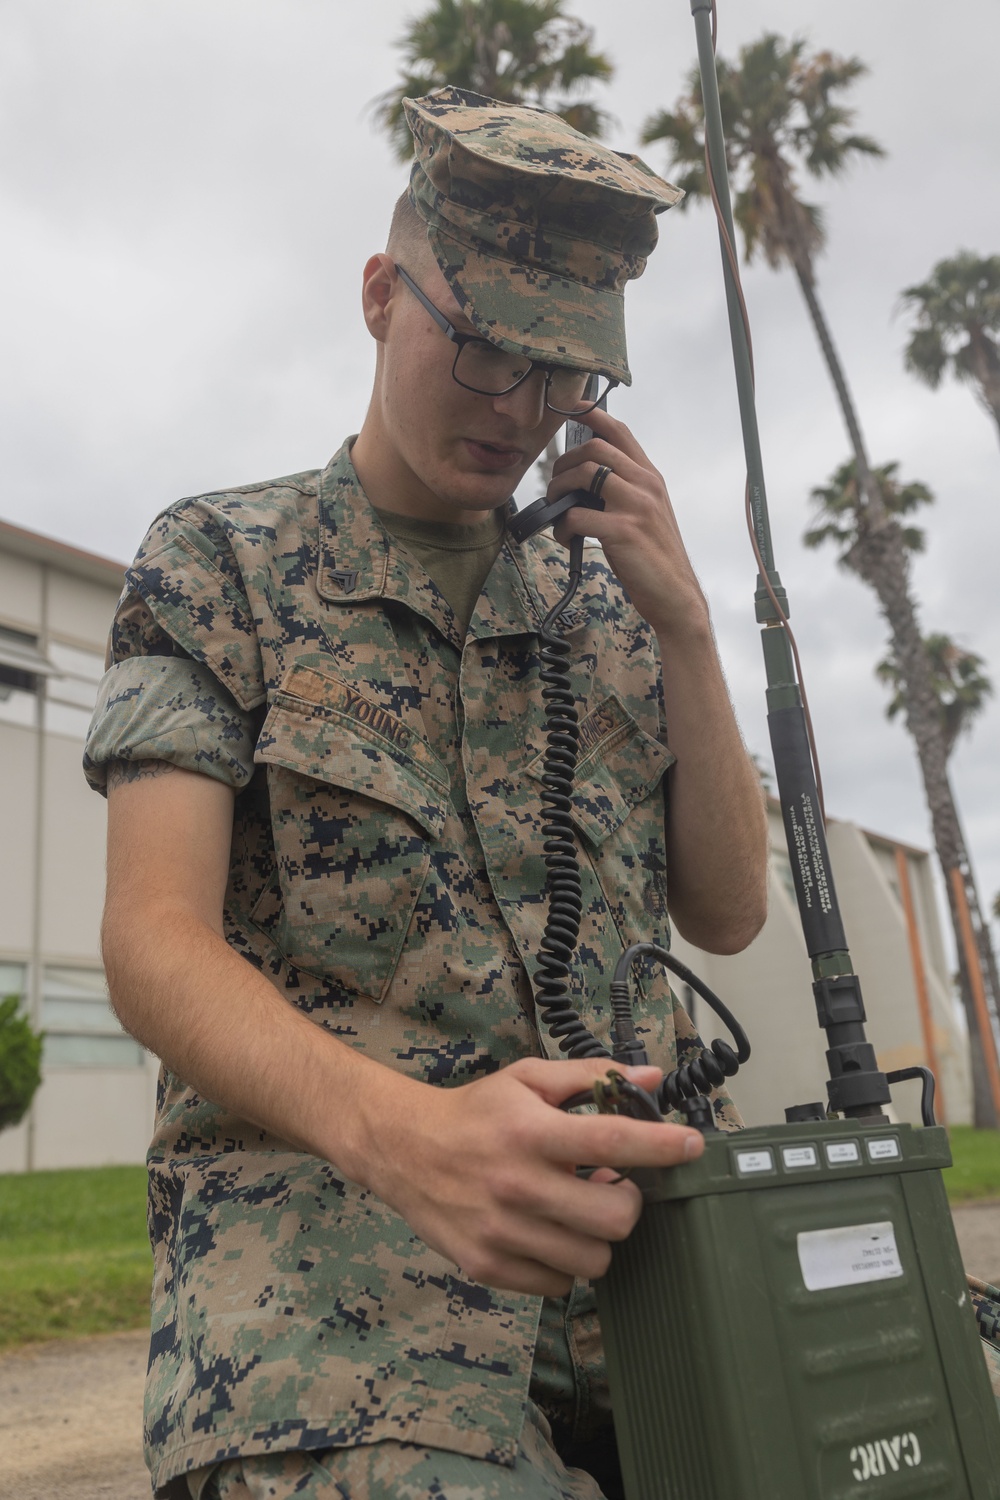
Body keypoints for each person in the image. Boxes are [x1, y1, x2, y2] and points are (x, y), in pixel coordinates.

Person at [85, 87, 769, 1500]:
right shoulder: (222, 563)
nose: (522, 412)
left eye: (568, 375)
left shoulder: (608, 606)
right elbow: (152, 942)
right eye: (487, 353)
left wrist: (688, 628)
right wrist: (410, 1137)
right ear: (383, 295)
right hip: (335, 1291)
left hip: (649, 1278)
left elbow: (730, 908)